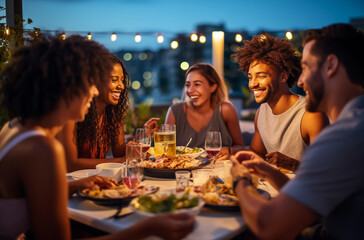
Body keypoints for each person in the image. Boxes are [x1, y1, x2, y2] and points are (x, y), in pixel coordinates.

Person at [0, 35, 195, 240]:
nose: (94, 91)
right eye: (89, 82)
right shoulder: (42, 148)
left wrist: (75, 185)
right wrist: (146, 228)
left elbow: (29, 193)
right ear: (65, 86)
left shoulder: (15, 127)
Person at [231, 23, 364, 239]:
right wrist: (268, 170)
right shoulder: (354, 124)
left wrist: (240, 182)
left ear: (330, 65)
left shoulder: (346, 137)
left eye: (306, 67)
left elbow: (270, 227)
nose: (300, 81)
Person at [232, 33, 329, 172]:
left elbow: (327, 171)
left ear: (283, 76)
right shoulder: (261, 112)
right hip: (274, 189)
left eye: (261, 76)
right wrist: (230, 153)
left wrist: (292, 165)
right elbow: (256, 155)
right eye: (250, 77)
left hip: (304, 192)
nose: (252, 84)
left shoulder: (310, 114)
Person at [145, 63, 244, 160]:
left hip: (218, 171)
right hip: (183, 173)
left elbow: (240, 147)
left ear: (213, 87)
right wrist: (147, 136)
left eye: (197, 84)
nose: (190, 90)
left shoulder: (226, 110)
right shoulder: (175, 111)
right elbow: (163, 152)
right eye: (188, 85)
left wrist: (228, 151)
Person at [57, 54, 129, 172]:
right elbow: (70, 164)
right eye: (114, 80)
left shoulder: (113, 113)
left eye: (122, 80)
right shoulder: (73, 113)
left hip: (97, 182)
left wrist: (142, 140)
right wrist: (122, 161)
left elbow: (119, 151)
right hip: (72, 183)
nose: (121, 86)